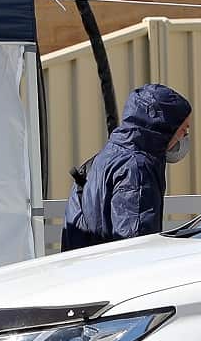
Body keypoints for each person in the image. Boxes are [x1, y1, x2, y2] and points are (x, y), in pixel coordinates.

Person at [60, 83, 192, 251]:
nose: (184, 136)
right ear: (164, 129)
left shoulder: (105, 158)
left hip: (87, 264)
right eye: (183, 130)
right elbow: (136, 245)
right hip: (111, 266)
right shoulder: (136, 170)